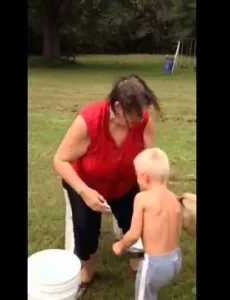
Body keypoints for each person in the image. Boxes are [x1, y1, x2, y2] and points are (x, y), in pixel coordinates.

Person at [53, 74, 161, 287]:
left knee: (139, 219)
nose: (141, 119)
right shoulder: (89, 120)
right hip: (86, 184)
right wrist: (84, 192)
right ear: (118, 107)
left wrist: (154, 189)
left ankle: (135, 259)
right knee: (85, 229)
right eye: (135, 115)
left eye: (143, 113)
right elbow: (60, 160)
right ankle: (87, 268)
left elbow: (150, 158)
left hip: (124, 183)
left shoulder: (142, 120)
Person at [112, 147, 182, 300]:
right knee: (153, 290)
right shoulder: (174, 198)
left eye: (136, 176)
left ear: (144, 177)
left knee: (144, 296)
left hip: (154, 265)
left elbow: (134, 234)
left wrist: (120, 245)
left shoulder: (142, 198)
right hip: (175, 260)